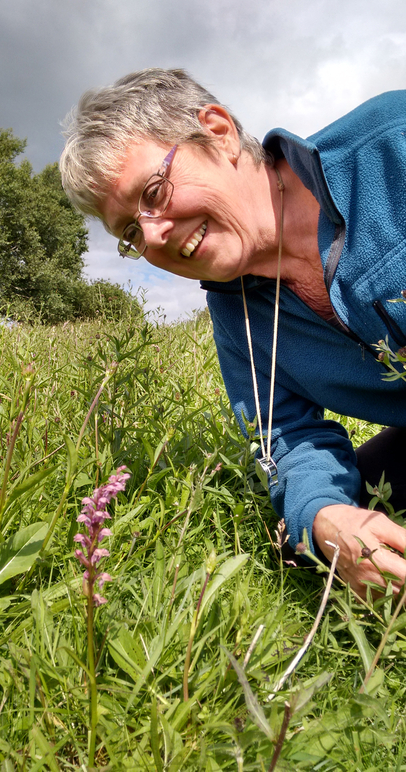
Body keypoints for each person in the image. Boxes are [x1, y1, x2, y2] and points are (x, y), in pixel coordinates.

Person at [60, 68, 406, 598]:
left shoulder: (390, 147)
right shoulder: (236, 313)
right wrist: (328, 518)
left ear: (218, 132)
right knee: (313, 539)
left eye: (153, 192)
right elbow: (286, 436)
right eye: (130, 231)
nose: (153, 235)